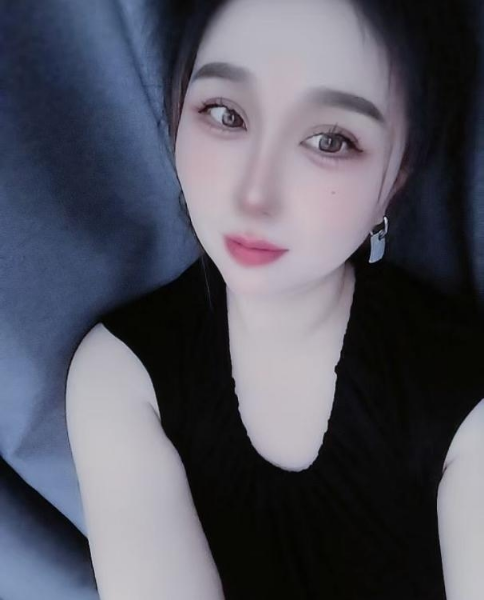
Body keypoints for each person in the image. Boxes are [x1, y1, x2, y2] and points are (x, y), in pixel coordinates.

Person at [66, 0, 484, 598]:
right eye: (225, 114)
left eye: (330, 140)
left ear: (399, 175)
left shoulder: (465, 394)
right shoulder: (122, 376)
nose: (255, 195)